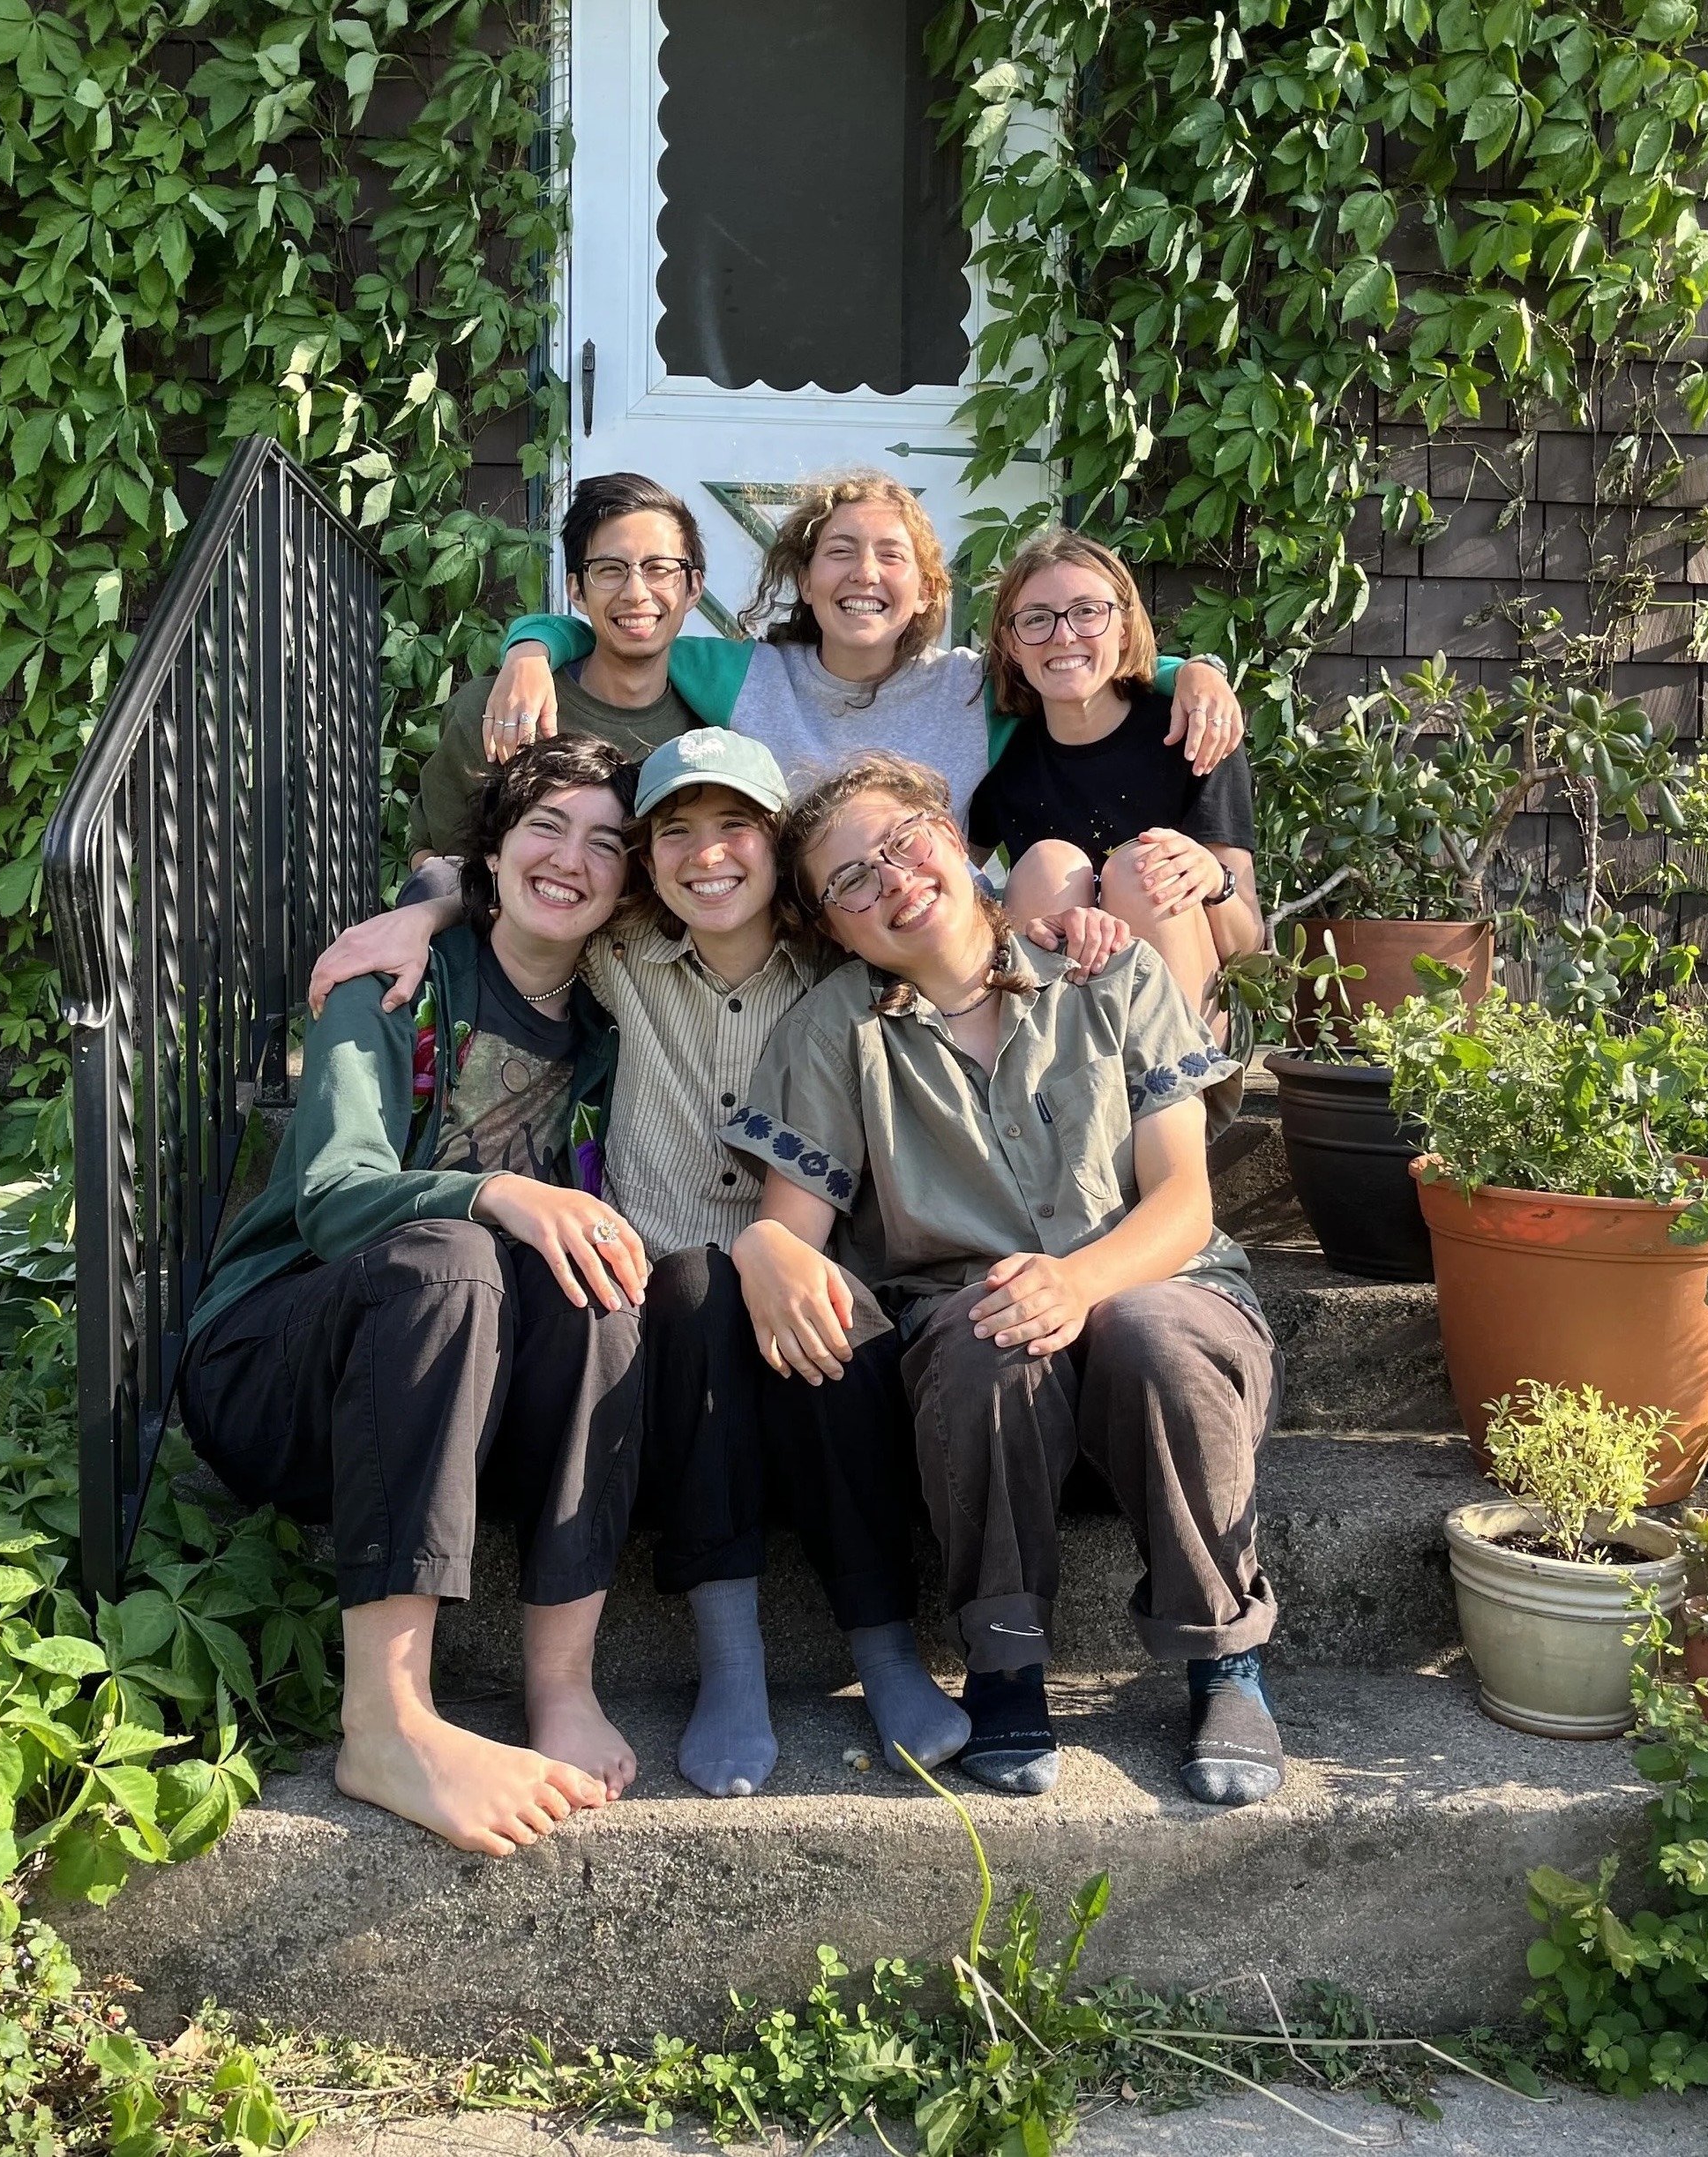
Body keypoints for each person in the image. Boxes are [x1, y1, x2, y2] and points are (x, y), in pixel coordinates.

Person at [307, 729, 985, 1796]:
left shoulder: (843, 964)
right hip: (668, 1314)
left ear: (779, 849)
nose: (708, 856)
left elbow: (963, 930)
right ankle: (732, 1663)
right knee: (695, 1289)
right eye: (675, 834)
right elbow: (521, 900)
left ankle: (887, 1652)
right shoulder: (616, 955)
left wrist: (1071, 911)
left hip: (800, 1273)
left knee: (834, 1315)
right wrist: (424, 911)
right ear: (646, 867)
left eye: (737, 829)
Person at [724, 753, 1286, 1807]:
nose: (893, 881)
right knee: (988, 1334)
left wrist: (1078, 1284)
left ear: (952, 838)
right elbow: (790, 1233)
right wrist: (762, 1249)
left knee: (1152, 1332)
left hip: (1161, 1290)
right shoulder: (834, 1030)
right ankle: (1007, 1663)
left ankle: (1224, 1659)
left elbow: (1182, 1202)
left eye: (904, 843)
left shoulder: (1107, 973)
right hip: (976, 1358)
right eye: (852, 881)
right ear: (833, 928)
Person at [179, 737, 649, 1855]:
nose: (570, 859)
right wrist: (500, 1192)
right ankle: (388, 1722)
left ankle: (560, 1685)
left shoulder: (610, 1033)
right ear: (491, 851)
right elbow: (334, 1197)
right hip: (281, 1369)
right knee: (452, 1254)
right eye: (545, 826)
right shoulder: (392, 983)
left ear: (629, 885)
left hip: (453, 1405)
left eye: (606, 843)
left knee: (601, 1277)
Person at [478, 471, 1244, 827]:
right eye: (839, 552)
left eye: (890, 556)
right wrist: (529, 650)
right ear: (805, 582)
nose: (864, 574)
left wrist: (1189, 674)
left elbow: (1075, 662)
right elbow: (620, 631)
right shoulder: (741, 675)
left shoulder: (976, 688)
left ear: (925, 589)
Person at [971, 530, 1265, 1021]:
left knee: (1142, 866)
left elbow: (1247, 946)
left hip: (1188, 1014)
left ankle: (1174, 1069)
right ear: (1012, 643)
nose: (1064, 635)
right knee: (1047, 866)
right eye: (1037, 618)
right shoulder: (1003, 755)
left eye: (1087, 611)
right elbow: (952, 877)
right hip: (1065, 1014)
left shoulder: (1192, 730)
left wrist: (1216, 880)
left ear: (1124, 629)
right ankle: (1039, 1061)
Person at [404, 473, 708, 865]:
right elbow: (437, 862)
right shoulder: (497, 713)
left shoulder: (719, 726)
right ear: (577, 590)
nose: (635, 592)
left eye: (659, 568)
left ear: (693, 587)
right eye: (610, 569)